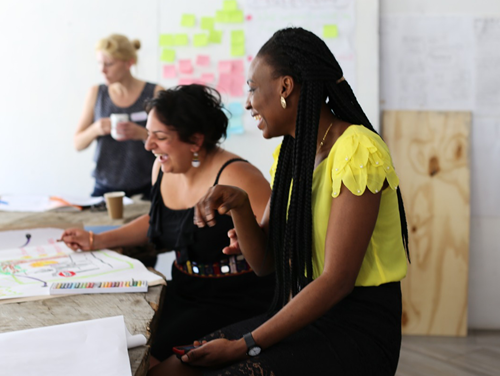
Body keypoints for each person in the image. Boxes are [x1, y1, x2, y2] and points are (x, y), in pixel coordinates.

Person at [150, 27, 411, 376]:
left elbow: (337, 279)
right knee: (171, 370)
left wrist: (245, 344)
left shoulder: (356, 148)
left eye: (253, 88)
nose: (247, 102)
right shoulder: (291, 156)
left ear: (285, 87)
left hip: (355, 327)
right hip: (303, 313)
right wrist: (240, 207)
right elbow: (264, 263)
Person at [61, 84, 275, 367]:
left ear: (195, 141)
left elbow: (275, 247)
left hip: (234, 300)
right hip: (182, 289)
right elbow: (158, 220)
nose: (148, 145)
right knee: (115, 346)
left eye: (160, 137)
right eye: (148, 134)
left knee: (146, 362)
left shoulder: (239, 175)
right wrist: (96, 240)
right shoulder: (162, 168)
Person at [74, 33, 164, 198]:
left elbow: (173, 141)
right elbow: (78, 144)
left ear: (129, 62)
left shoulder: (155, 92)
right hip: (105, 187)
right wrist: (96, 129)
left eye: (109, 64)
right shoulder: (97, 93)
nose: (102, 70)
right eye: (100, 63)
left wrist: (143, 134)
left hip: (148, 186)